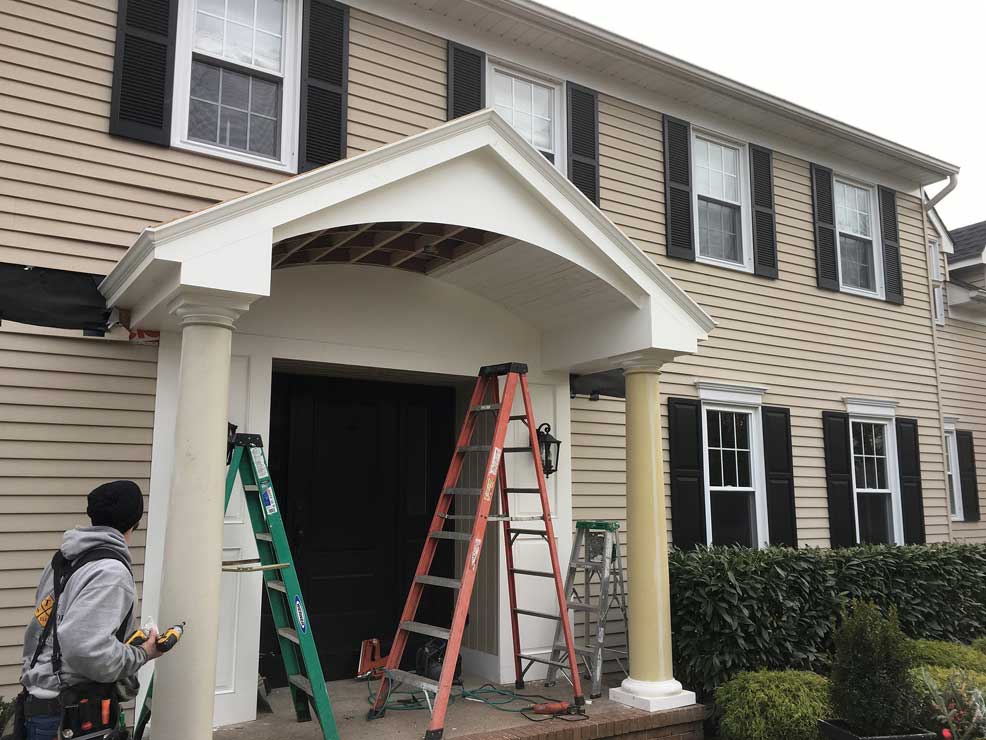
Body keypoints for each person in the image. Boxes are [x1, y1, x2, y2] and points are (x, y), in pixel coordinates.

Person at [17, 481, 166, 740]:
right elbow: (85, 650)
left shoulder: (63, 560)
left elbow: (41, 629)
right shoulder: (111, 572)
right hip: (67, 718)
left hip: (39, 708)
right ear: (135, 522)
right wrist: (143, 653)